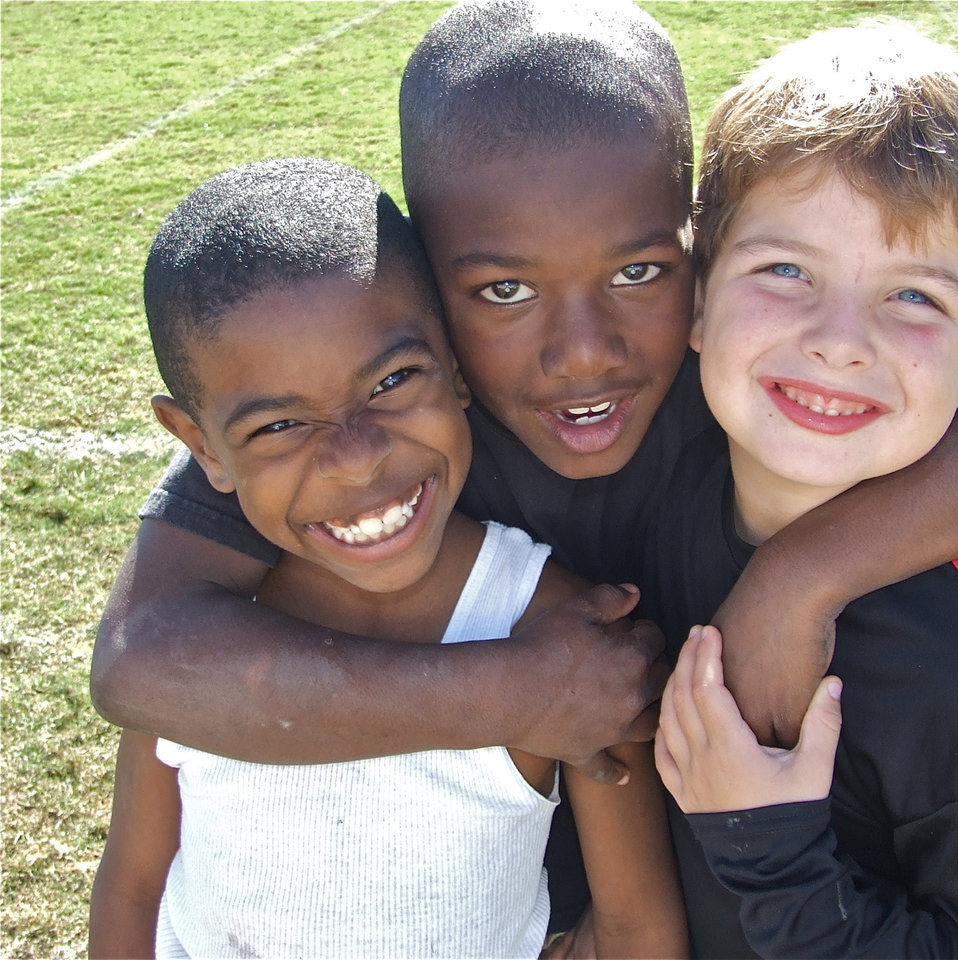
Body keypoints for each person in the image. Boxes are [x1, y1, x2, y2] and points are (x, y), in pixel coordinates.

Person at [90, 0, 958, 940]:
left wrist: (797, 581)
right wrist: (521, 692)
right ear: (420, 284)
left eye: (641, 272)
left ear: (700, 249)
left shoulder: (732, 369)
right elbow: (141, 663)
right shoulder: (384, 426)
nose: (584, 353)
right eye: (501, 291)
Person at [88, 157, 687, 959]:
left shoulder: (561, 632)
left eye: (394, 380)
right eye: (278, 426)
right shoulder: (201, 647)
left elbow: (634, 925)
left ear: (457, 366)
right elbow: (134, 885)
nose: (356, 458)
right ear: (200, 446)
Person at [651, 22, 958, 958]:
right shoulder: (681, 465)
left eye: (915, 297)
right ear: (699, 298)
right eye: (786, 270)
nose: (840, 339)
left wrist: (771, 853)